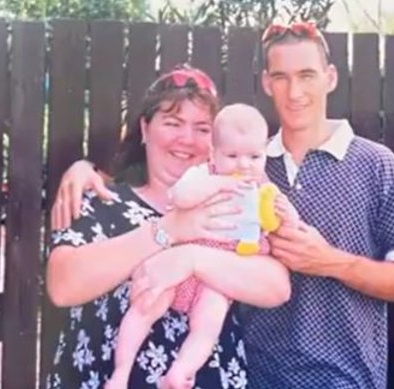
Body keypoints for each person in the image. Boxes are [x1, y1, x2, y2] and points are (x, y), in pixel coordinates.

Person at [52, 22, 394, 389]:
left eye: (306, 75)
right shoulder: (245, 166)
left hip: (343, 379)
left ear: (330, 77)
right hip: (257, 376)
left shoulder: (363, 167)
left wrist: (328, 261)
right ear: (267, 83)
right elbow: (67, 282)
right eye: (281, 77)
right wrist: (87, 172)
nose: (294, 91)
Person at [44, 66, 291, 389]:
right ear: (145, 129)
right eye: (172, 123)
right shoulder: (100, 199)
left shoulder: (230, 206)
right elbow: (63, 285)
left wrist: (191, 259)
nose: (186, 139)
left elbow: (276, 287)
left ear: (216, 144)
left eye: (202, 128)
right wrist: (168, 230)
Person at [106, 103, 296, 389]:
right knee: (145, 306)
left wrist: (286, 213)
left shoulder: (264, 190)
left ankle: (181, 371)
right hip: (179, 268)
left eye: (254, 156)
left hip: (217, 279)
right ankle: (120, 373)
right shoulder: (203, 175)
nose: (244, 165)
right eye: (232, 156)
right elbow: (181, 196)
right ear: (213, 153)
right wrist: (219, 184)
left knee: (209, 323)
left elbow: (288, 227)